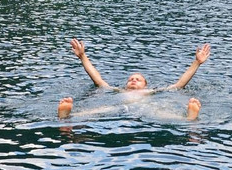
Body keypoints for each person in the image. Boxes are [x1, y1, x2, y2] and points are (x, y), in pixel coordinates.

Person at [58, 38, 210, 120]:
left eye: (138, 79)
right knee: (96, 111)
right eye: (131, 79)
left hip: (146, 107)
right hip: (119, 107)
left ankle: (189, 118)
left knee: (161, 113)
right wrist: (83, 56)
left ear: (145, 85)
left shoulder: (151, 92)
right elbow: (98, 80)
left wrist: (196, 62)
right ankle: (66, 116)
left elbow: (179, 85)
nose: (133, 80)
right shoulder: (118, 91)